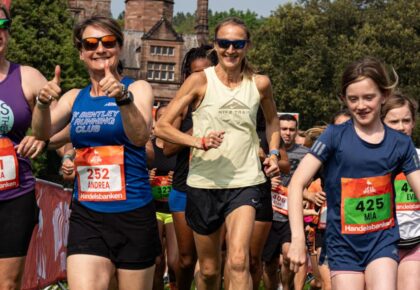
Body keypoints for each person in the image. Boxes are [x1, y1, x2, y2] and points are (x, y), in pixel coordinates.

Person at [32, 16, 160, 290]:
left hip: (133, 214)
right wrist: (42, 104)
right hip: (87, 214)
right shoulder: (75, 97)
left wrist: (122, 99)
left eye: (108, 42)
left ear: (120, 47)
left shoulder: (138, 88)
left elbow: (139, 137)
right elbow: (43, 133)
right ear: (81, 53)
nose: (99, 49)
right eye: (90, 43)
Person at [155, 17, 280, 289]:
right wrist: (197, 141)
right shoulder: (199, 81)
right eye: (224, 43)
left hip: (245, 181)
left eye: (238, 44)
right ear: (215, 45)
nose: (231, 50)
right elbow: (162, 127)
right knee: (210, 271)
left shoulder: (259, 84)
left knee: (238, 261)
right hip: (204, 183)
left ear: (247, 45)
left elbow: (272, 121)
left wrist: (272, 154)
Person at [287, 57, 420, 290]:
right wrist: (298, 239)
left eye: (369, 97)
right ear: (343, 99)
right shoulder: (333, 136)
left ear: (384, 96)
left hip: (382, 241)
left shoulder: (400, 143)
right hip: (343, 246)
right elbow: (296, 183)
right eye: (353, 99)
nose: (361, 105)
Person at [0, 5, 49, 289]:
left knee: (7, 284)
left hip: (14, 195)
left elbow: (61, 125)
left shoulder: (27, 76)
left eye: (2, 26)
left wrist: (42, 139)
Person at [162, 45, 217, 290]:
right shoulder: (182, 106)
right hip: (184, 187)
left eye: (206, 72)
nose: (200, 79)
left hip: (218, 187)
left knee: (213, 262)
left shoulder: (227, 104)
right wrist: (197, 133)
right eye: (195, 72)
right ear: (186, 76)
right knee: (183, 260)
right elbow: (167, 148)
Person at [262, 114, 310, 290]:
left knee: (290, 256)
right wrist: (268, 183)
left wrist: (306, 194)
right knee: (270, 263)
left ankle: (287, 286)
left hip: (291, 214)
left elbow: (312, 179)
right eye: (283, 129)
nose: (287, 133)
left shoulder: (305, 154)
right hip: (268, 212)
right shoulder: (266, 150)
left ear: (296, 131)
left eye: (291, 129)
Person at [381, 93, 420, 290]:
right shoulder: (370, 162)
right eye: (394, 121)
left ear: (413, 123)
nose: (401, 127)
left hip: (415, 243)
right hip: (379, 246)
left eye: (406, 121)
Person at [148, 104, 178, 290]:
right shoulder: (148, 148)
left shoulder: (180, 148)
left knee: (175, 262)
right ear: (156, 120)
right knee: (157, 261)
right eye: (162, 116)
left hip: (174, 209)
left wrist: (179, 179)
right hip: (153, 208)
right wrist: (147, 178)